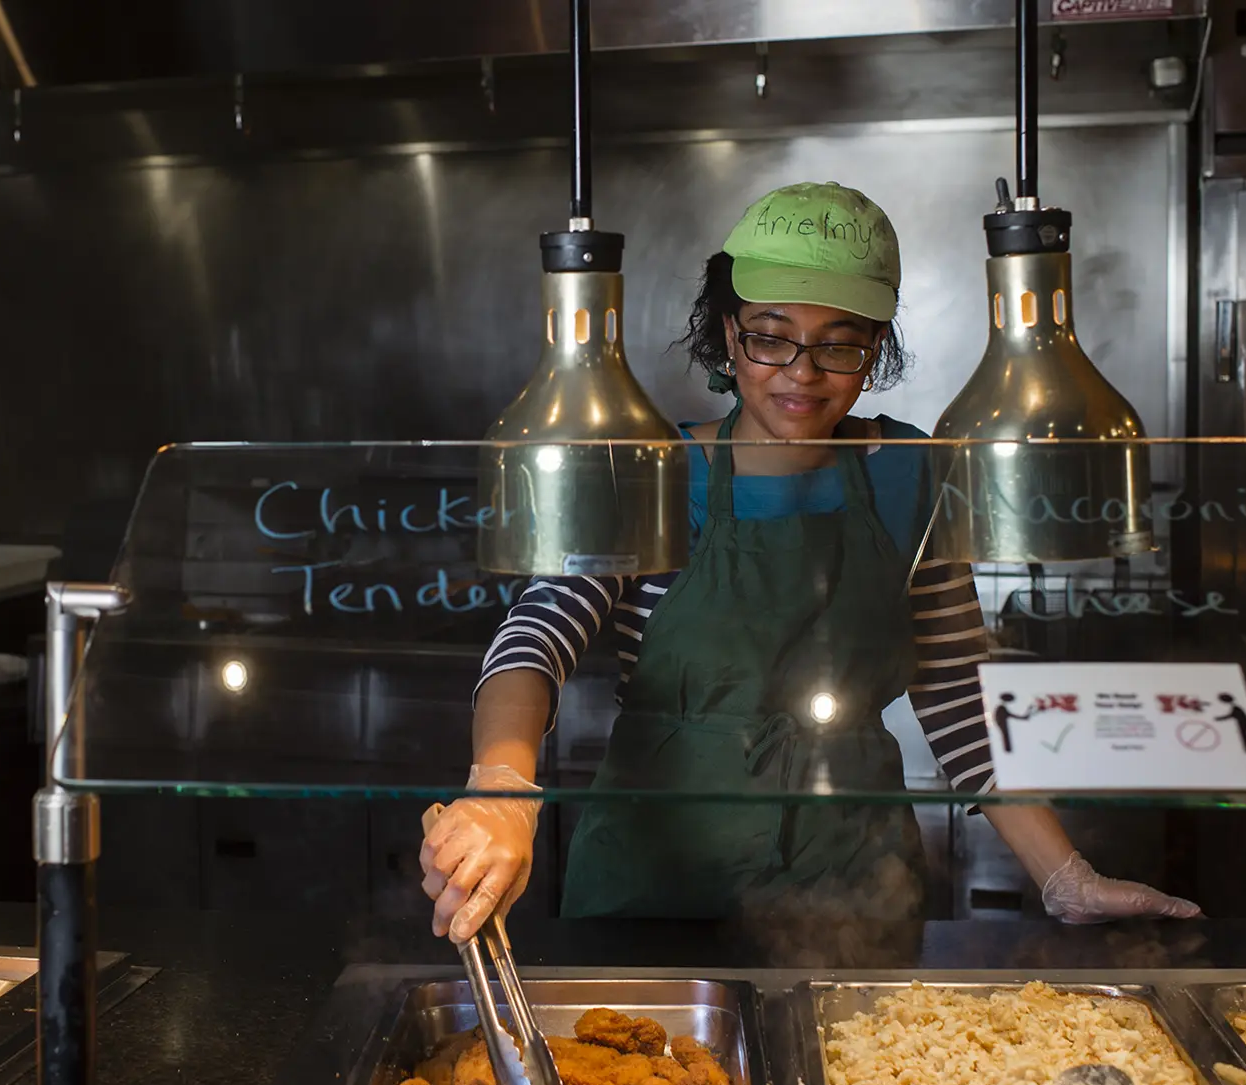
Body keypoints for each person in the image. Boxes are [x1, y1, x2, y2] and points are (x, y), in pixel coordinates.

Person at [421, 181, 1200, 940]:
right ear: (729, 334)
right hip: (653, 881)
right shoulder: (653, 470)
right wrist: (502, 790)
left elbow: (959, 693)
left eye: (840, 343)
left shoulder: (908, 472)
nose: (802, 370)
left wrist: (1066, 878)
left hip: (853, 882)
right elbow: (535, 637)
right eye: (771, 334)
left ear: (875, 349)